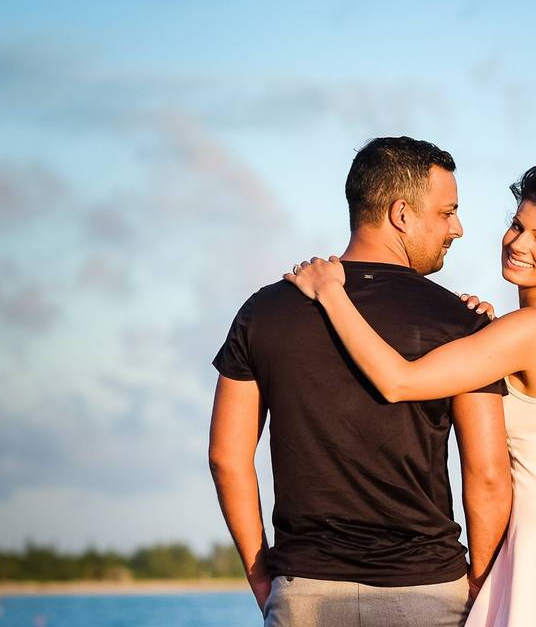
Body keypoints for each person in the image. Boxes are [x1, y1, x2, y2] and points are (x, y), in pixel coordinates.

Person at [286, 164, 536, 626]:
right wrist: (482, 330)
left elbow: (398, 381)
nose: (518, 243)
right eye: (517, 226)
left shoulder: (535, 329)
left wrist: (332, 294)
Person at [209, 136, 513, 627]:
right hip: (427, 592)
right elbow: (489, 476)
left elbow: (226, 458)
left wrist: (262, 579)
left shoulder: (263, 311)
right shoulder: (461, 323)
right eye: (447, 212)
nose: (457, 228)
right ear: (401, 214)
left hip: (303, 591)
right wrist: (480, 585)